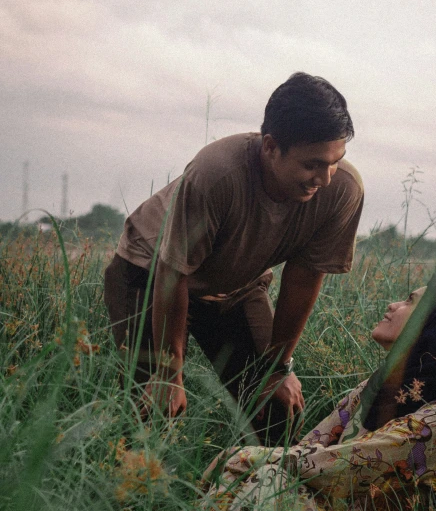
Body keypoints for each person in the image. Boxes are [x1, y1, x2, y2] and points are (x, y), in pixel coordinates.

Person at [104, 72, 364, 443]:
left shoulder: (342, 190)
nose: (324, 177)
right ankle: (138, 495)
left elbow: (303, 278)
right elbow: (172, 273)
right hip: (149, 272)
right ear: (271, 146)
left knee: (276, 407)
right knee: (154, 407)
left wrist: (278, 367)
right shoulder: (216, 174)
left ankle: (253, 497)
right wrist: (169, 371)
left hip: (234, 286)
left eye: (335, 161)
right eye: (312, 164)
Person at [174, 278, 436, 511]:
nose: (394, 304)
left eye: (410, 301)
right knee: (257, 475)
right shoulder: (373, 389)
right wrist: (239, 461)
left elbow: (339, 466)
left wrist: (243, 456)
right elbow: (308, 448)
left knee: (267, 477)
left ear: (435, 326)